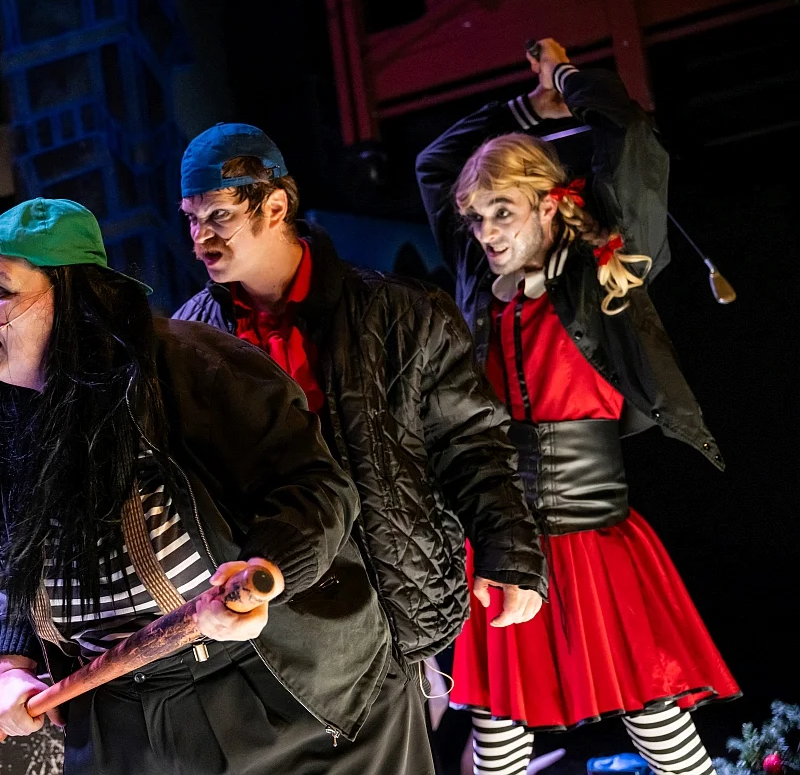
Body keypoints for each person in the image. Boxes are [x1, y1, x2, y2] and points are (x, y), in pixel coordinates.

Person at [0, 197, 422, 774]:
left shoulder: (194, 367)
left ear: (73, 298)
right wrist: (13, 666)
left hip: (274, 699)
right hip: (117, 715)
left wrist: (262, 573)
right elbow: (12, 558)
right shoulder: (15, 415)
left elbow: (314, 489)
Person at [172, 124, 549, 773]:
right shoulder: (188, 342)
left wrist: (508, 548)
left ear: (275, 207)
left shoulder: (399, 312)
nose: (201, 236)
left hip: (380, 606)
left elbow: (471, 443)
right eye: (191, 218)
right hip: (262, 629)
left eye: (220, 216)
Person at [415, 38, 740, 775]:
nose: (486, 234)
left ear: (549, 204)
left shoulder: (603, 267)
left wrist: (564, 80)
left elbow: (631, 133)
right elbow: (434, 164)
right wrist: (522, 109)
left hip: (593, 534)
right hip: (504, 538)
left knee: (655, 715)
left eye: (502, 213)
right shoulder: (480, 280)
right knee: (499, 729)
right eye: (476, 219)